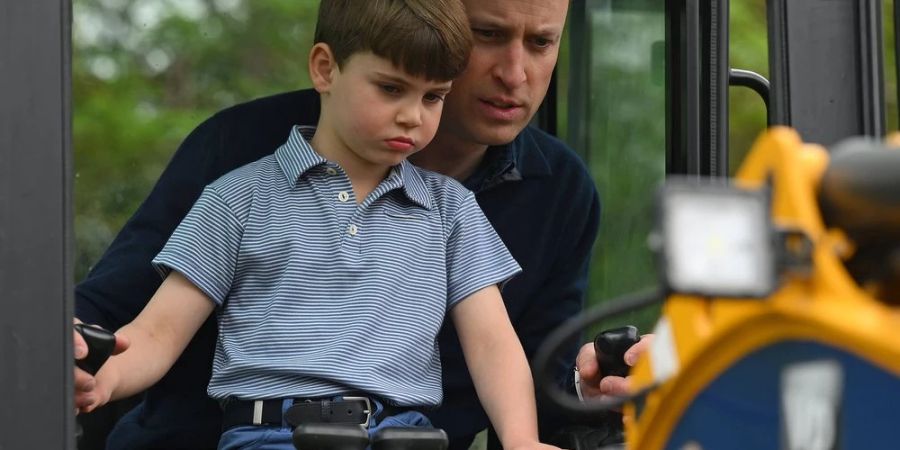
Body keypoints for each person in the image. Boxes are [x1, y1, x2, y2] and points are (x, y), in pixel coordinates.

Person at [74, 0, 601, 448]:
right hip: (263, 435)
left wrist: (523, 438)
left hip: (403, 435)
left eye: (431, 96)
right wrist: (101, 373)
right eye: (392, 89)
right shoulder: (238, 190)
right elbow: (152, 329)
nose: (412, 117)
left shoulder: (455, 211)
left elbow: (498, 346)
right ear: (325, 69)